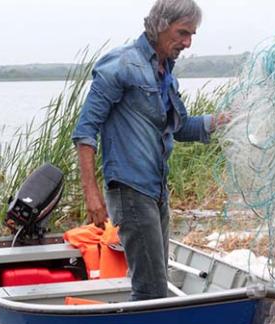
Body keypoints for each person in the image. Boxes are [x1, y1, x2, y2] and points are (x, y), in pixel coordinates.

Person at [72, 0, 227, 301]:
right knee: (151, 288)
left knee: (155, 279)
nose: (187, 43)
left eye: (192, 35)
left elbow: (179, 129)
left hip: (157, 191)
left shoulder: (165, 73)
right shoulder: (121, 65)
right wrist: (92, 194)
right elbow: (85, 131)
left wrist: (219, 121)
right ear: (159, 25)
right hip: (130, 191)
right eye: (183, 33)